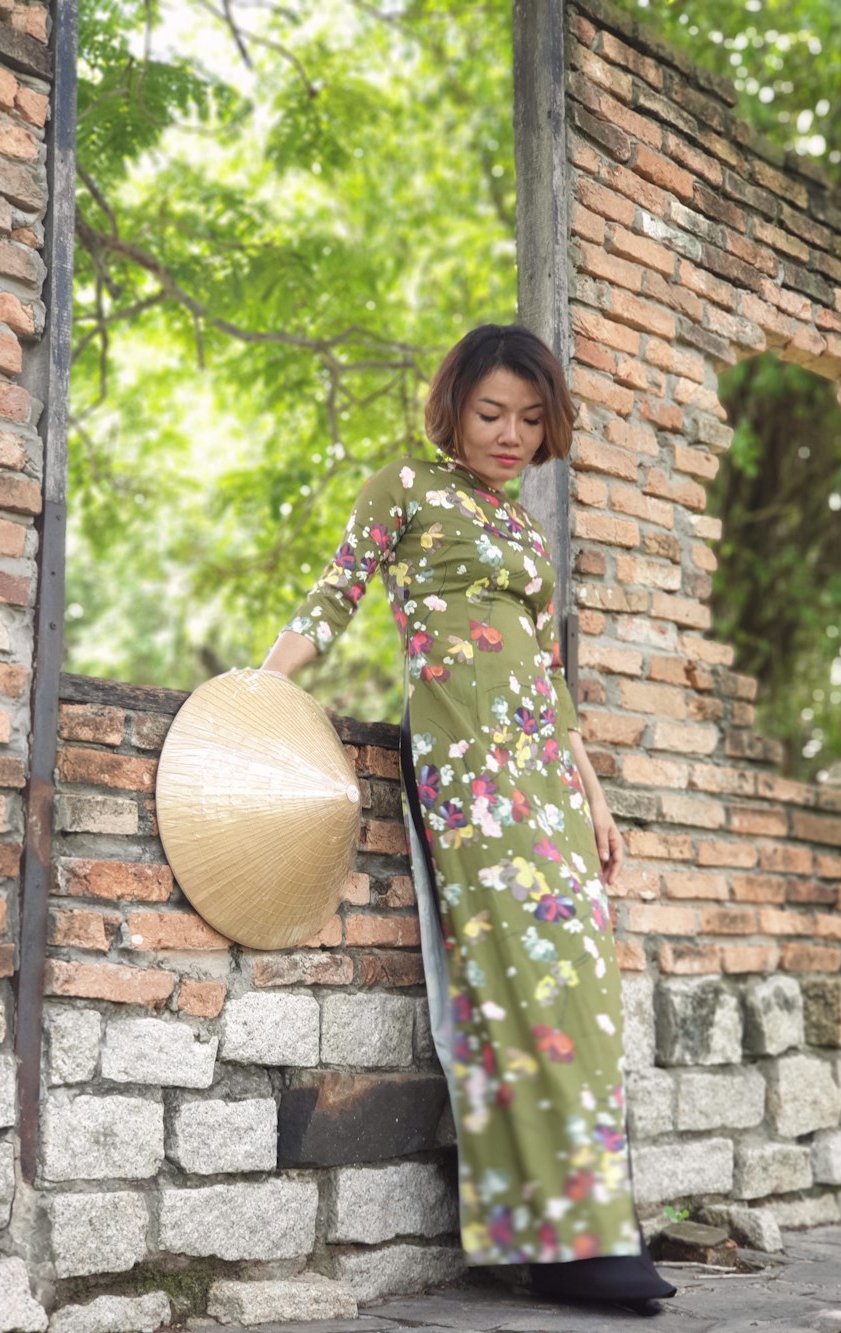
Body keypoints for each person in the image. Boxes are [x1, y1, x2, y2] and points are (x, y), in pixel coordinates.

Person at [262, 323, 676, 1314]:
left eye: (532, 419)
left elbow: (548, 679)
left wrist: (595, 795)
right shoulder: (403, 489)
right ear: (453, 405)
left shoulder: (525, 533)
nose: (511, 433)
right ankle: (567, 1238)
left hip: (544, 771)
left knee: (582, 988)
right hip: (471, 766)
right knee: (515, 983)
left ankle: (570, 1227)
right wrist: (258, 690)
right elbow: (334, 594)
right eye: (492, 412)